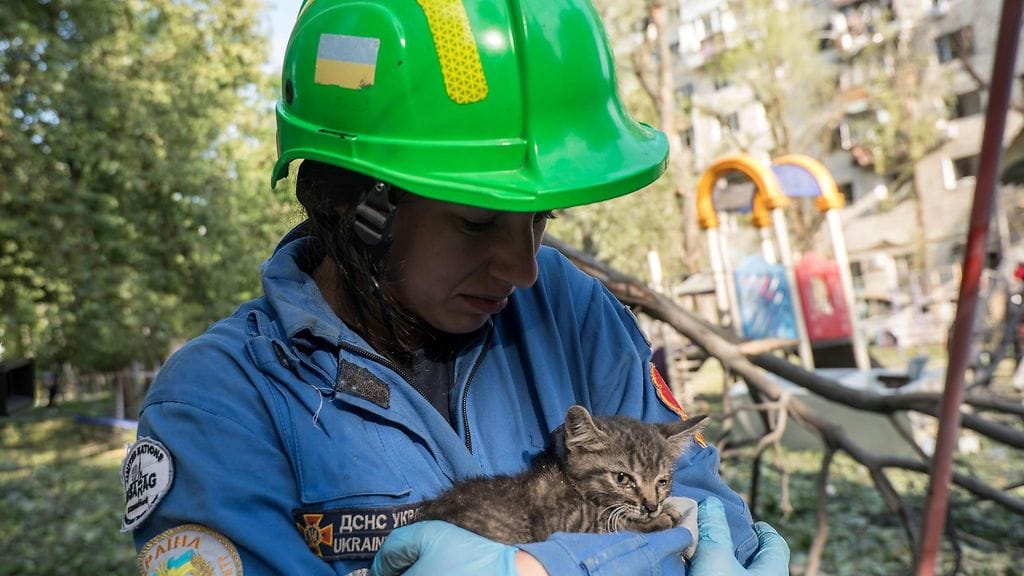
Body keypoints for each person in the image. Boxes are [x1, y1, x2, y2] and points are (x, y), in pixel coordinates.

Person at [122, 1, 790, 574]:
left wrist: (543, 567)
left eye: (541, 220)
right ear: (360, 210)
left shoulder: (571, 311)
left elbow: (711, 521)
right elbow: (680, 544)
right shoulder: (220, 405)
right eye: (476, 223)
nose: (525, 270)